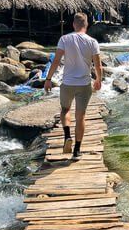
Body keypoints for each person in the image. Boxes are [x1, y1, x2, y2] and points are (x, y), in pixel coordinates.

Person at [44, 13, 103, 160]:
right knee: (81, 116)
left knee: (65, 110)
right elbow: (98, 64)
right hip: (84, 84)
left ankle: (66, 136)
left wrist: (48, 79)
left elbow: (56, 61)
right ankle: (77, 151)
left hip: (68, 83)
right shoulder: (93, 41)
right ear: (86, 25)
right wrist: (99, 80)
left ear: (73, 25)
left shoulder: (64, 39)